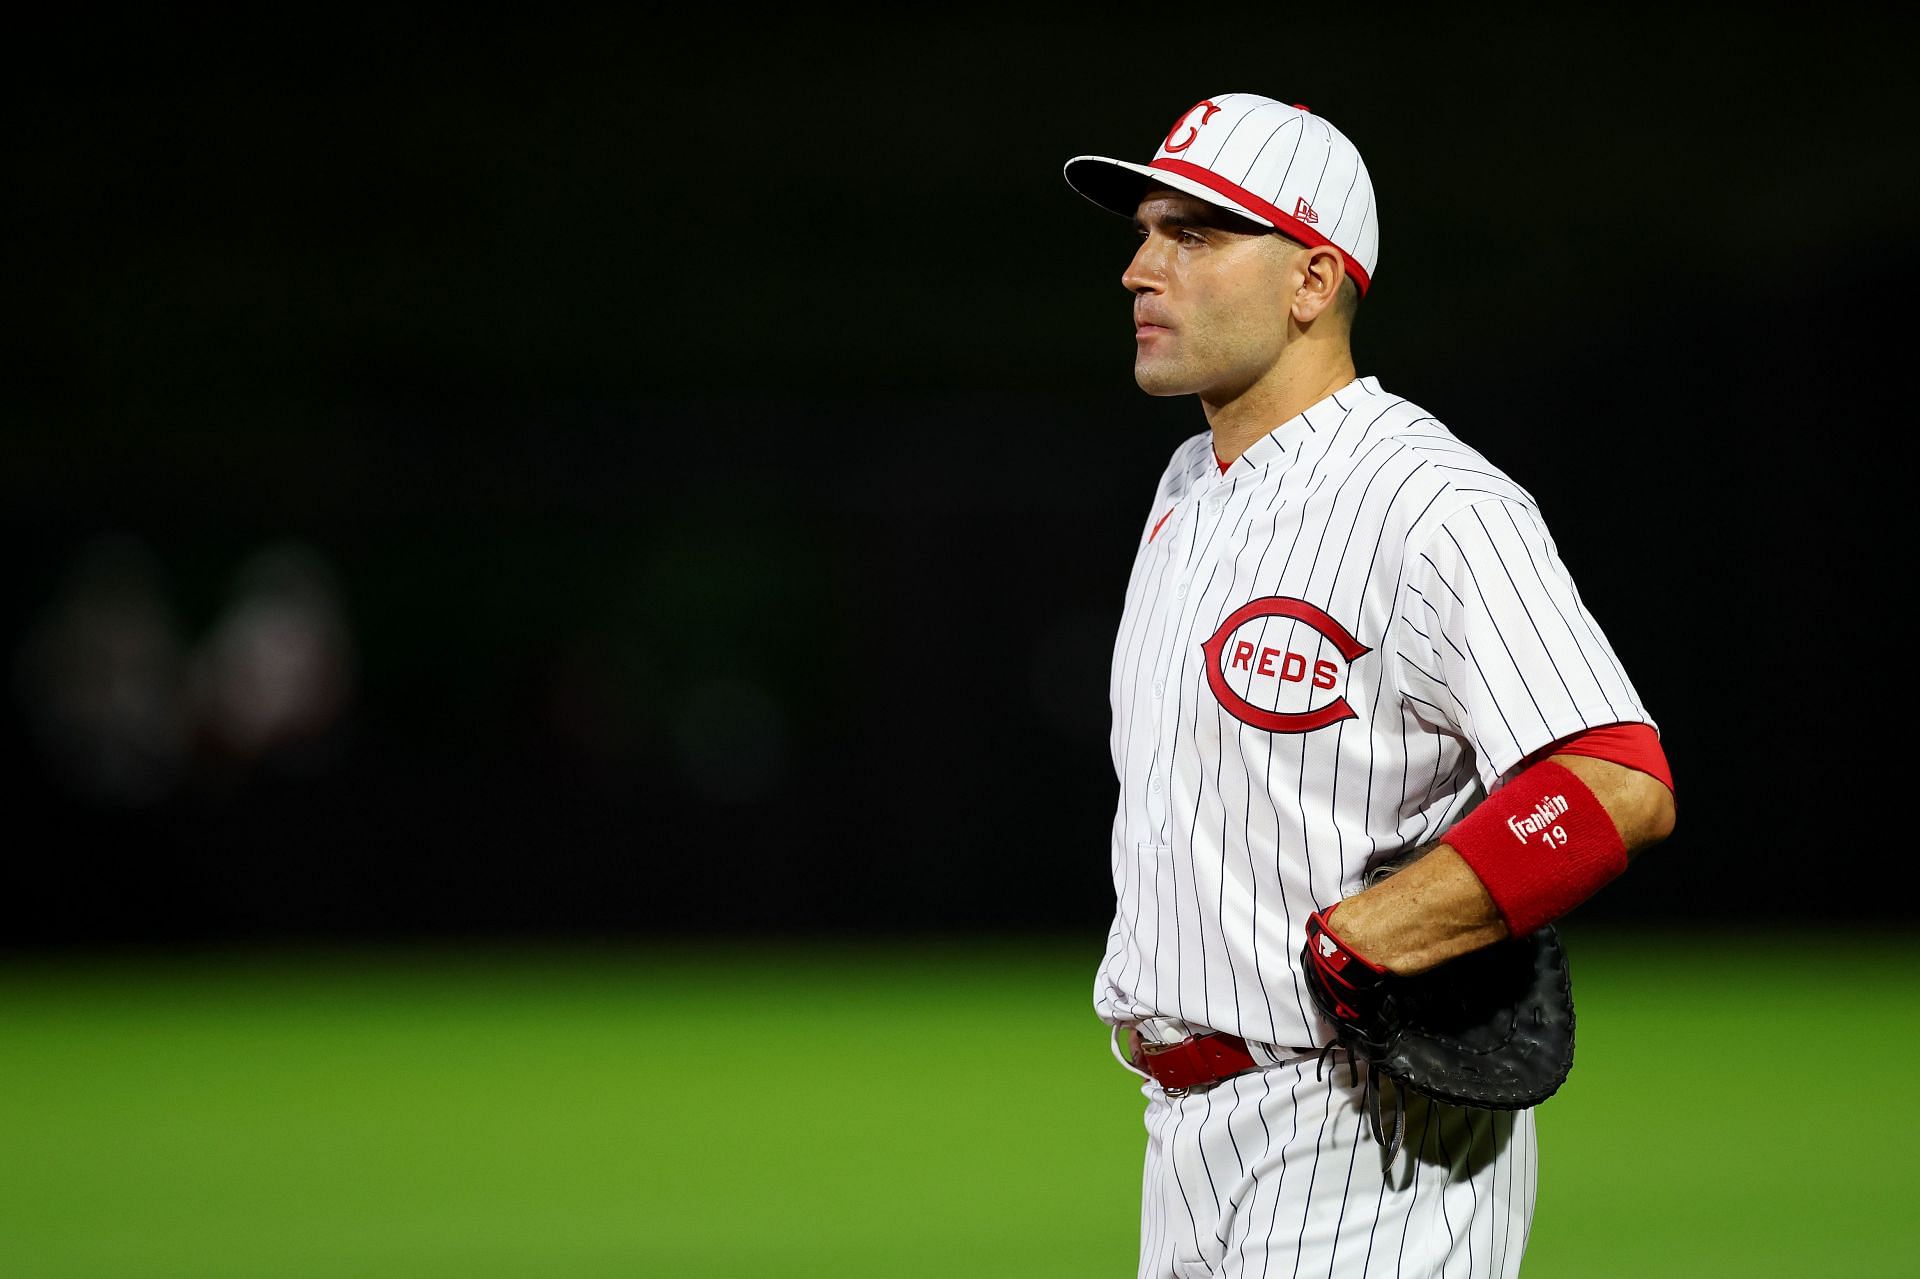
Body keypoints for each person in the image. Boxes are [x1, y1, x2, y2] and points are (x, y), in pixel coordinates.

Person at [1062, 92, 1675, 1278]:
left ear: (1312, 280)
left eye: (1195, 233)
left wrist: (1403, 920)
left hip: (1365, 1130)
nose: (1142, 267)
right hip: (1186, 1129)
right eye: (1144, 232)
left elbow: (1616, 779)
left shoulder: (1433, 504)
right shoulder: (1189, 487)